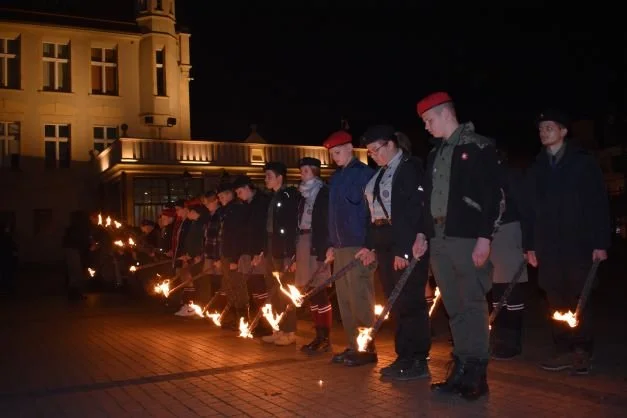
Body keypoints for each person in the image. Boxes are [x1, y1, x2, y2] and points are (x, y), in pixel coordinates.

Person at [417, 91, 503, 400]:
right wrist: (421, 234)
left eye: (428, 120)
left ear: (444, 113)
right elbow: (427, 199)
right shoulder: (435, 153)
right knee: (454, 307)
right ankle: (462, 368)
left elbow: (493, 196)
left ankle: (477, 374)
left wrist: (484, 237)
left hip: (466, 237)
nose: (425, 127)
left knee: (472, 304)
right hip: (439, 237)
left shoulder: (478, 146)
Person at [525, 108, 610, 375]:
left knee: (579, 297)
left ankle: (582, 351)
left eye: (549, 127)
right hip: (548, 246)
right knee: (554, 296)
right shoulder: (537, 167)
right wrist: (530, 245)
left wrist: (600, 242)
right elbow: (530, 210)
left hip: (578, 244)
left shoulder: (582, 162)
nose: (543, 132)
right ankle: (563, 348)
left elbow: (598, 203)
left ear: (563, 131)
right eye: (540, 128)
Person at [356, 125, 431, 380]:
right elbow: (373, 213)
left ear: (390, 144)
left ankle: (418, 360)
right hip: (384, 241)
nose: (373, 156)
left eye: (376, 150)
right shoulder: (381, 173)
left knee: (411, 301)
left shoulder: (410, 168)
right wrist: (369, 245)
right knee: (395, 302)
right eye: (370, 152)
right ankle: (404, 356)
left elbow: (413, 210)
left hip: (405, 243)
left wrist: (403, 249)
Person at [322, 130, 376, 366]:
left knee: (360, 296)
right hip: (341, 247)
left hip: (359, 246)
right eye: (332, 154)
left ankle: (367, 347)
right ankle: (354, 344)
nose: (334, 157)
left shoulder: (365, 175)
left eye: (337, 152)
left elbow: (374, 213)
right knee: (344, 298)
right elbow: (333, 215)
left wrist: (370, 245)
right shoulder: (336, 178)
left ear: (349, 147)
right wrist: (331, 244)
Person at [489, 149, 529, 360]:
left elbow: (524, 206)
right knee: (497, 291)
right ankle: (499, 337)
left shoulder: (510, 174)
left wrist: (528, 242)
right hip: (489, 236)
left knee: (511, 289)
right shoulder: (482, 177)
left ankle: (512, 340)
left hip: (510, 231)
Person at [294, 157, 333, 354]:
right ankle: (318, 334)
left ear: (315, 171)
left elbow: (328, 221)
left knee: (319, 290)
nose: (302, 174)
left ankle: (324, 337)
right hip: (303, 241)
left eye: (306, 171)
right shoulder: (301, 194)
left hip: (317, 243)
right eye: (301, 171)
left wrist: (328, 246)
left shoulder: (323, 192)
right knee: (310, 291)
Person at [261, 162, 300, 346]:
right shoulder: (272, 197)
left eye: (269, 175)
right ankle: (278, 329)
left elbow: (292, 227)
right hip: (271, 246)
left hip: (283, 249)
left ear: (280, 177)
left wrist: (292, 254)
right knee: (273, 289)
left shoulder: (288, 196)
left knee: (285, 290)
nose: (265, 179)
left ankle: (290, 331)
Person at [232, 175, 273, 337]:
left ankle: (268, 323)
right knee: (254, 290)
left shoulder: (262, 203)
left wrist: (259, 251)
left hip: (259, 252)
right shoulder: (246, 205)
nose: (239, 195)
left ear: (248, 188)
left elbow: (263, 230)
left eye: (240, 191)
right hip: (248, 252)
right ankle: (259, 322)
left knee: (261, 288)